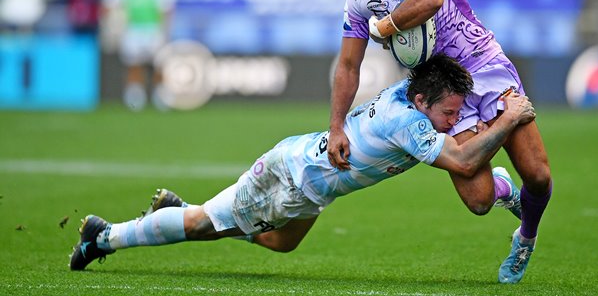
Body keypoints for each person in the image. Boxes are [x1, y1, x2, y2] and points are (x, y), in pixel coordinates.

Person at [69, 54, 536, 272]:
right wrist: (508, 117)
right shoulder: (409, 124)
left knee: (279, 243)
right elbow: (460, 160)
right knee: (205, 223)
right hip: (293, 180)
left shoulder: (407, 94)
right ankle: (104, 235)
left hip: (308, 180)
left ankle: (182, 208)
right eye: (449, 113)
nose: (454, 121)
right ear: (421, 100)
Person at [330, 0, 552, 284]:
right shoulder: (360, 0)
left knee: (538, 176)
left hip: (484, 64)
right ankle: (500, 185)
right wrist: (335, 127)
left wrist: (385, 26)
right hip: (442, 91)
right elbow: (349, 66)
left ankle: (525, 238)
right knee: (479, 202)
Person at [101, 0, 174, 111]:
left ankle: (160, 97)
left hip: (154, 28)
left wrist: (165, 29)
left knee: (159, 63)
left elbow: (166, 8)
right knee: (133, 64)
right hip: (132, 29)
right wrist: (111, 23)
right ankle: (135, 99)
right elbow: (108, 2)